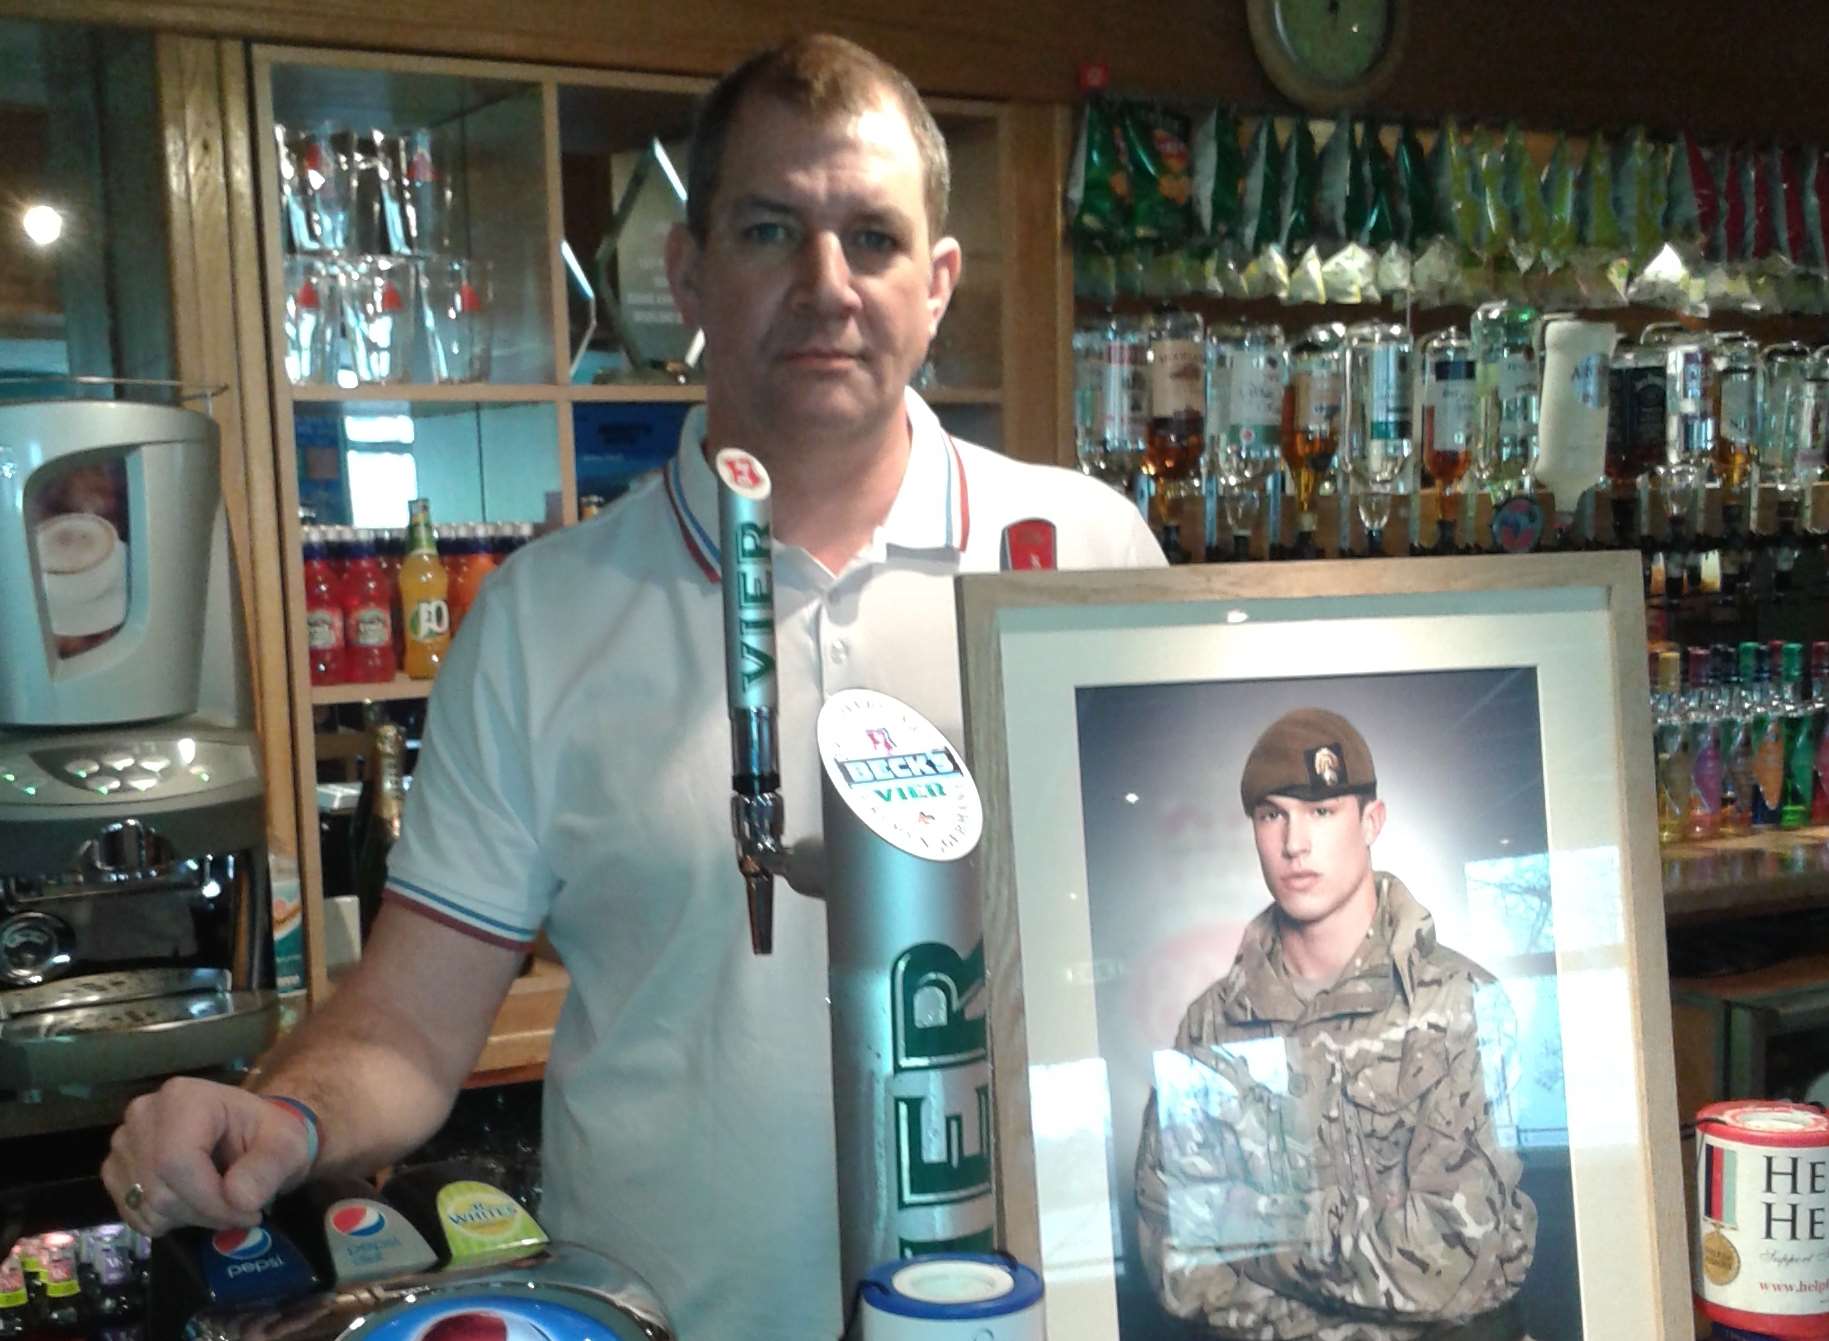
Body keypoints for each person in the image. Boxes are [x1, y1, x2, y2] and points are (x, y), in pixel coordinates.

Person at [100, 32, 1162, 1341]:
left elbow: (1170, 937)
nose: (828, 285)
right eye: (771, 231)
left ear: (937, 284)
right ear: (689, 272)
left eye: (873, 239)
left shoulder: (1087, 555)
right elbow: (412, 1025)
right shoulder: (543, 618)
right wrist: (284, 1112)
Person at [1134, 708, 1537, 1341]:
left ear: (1370, 822)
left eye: (1322, 812)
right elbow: (1176, 1260)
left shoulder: (1460, 1004)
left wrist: (1254, 1233)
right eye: (1273, 814)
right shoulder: (1212, 1026)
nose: (1295, 843)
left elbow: (1453, 1261)